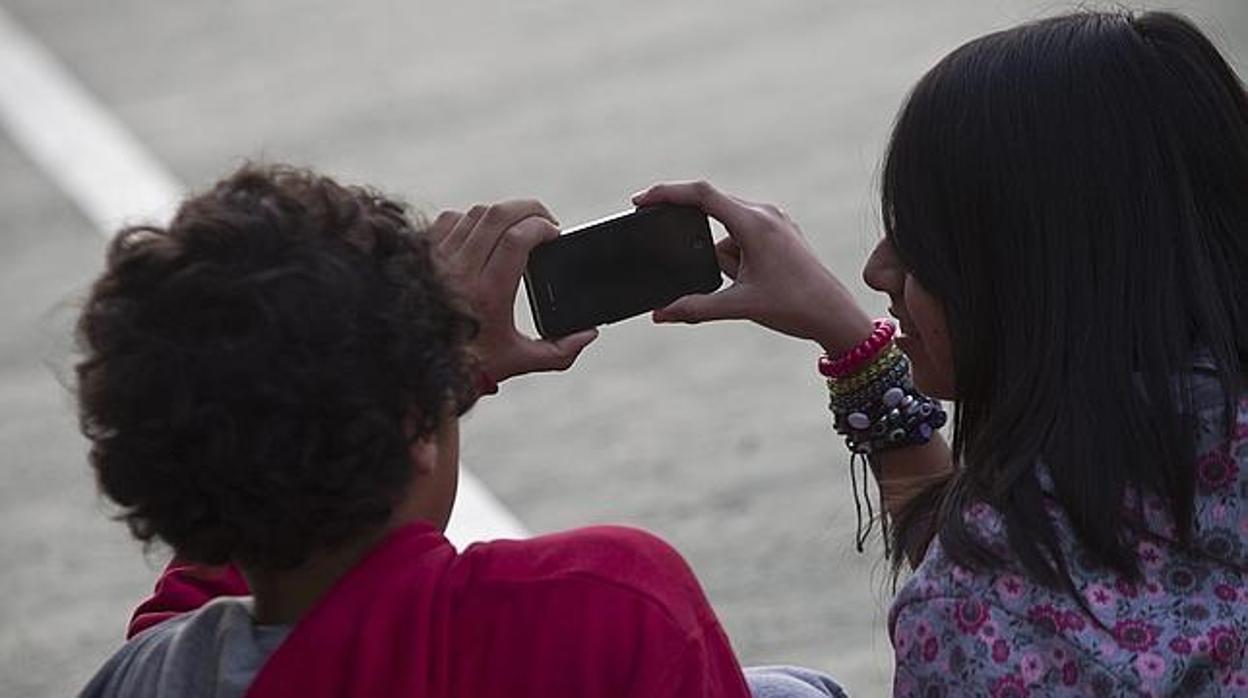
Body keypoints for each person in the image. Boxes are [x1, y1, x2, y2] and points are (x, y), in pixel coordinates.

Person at [633, 9, 1247, 696]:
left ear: (1032, 271)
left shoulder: (980, 619)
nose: (877, 270)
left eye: (922, 240)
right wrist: (851, 342)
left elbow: (1014, 593)